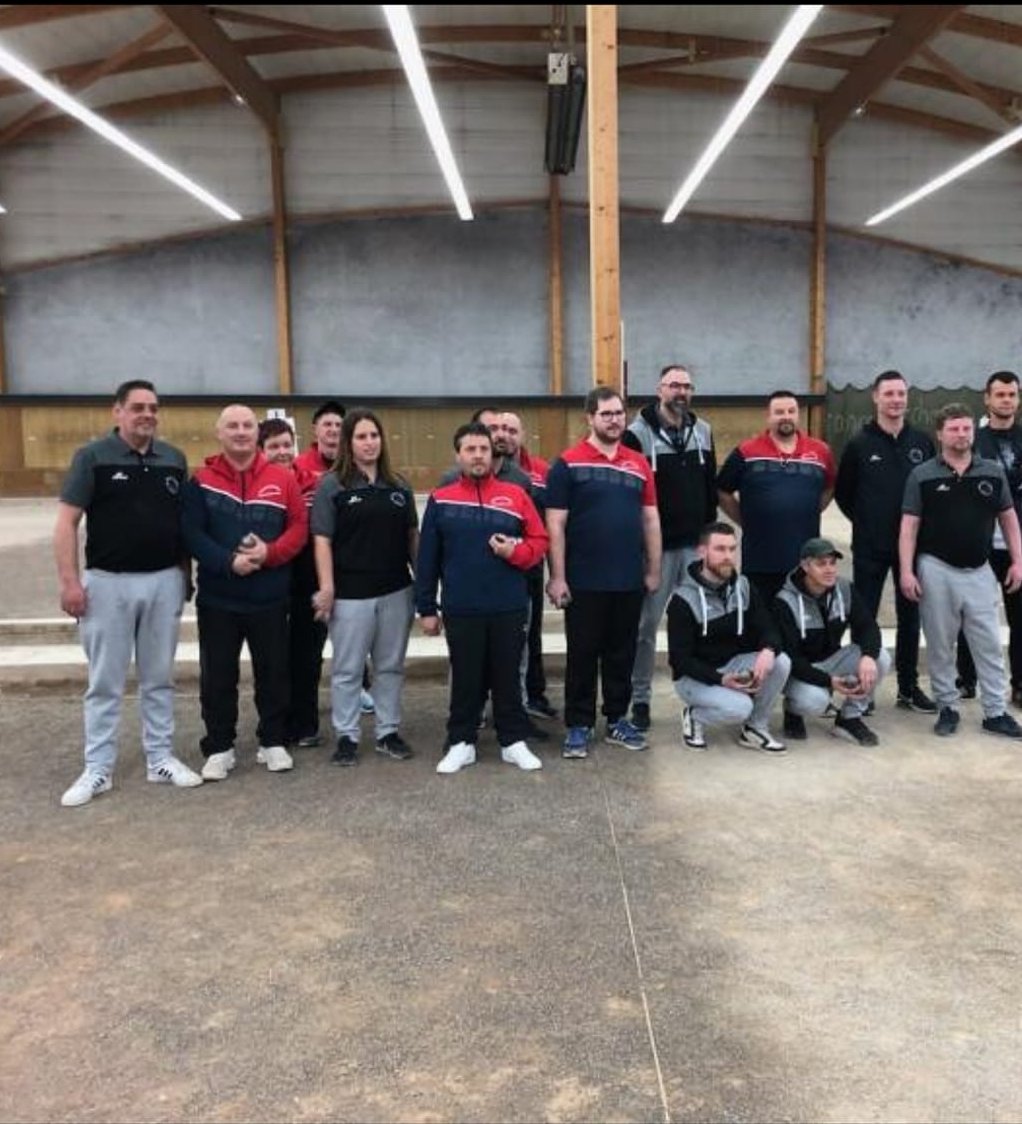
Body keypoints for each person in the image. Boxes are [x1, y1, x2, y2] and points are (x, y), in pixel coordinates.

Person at [54, 379, 202, 807]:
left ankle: (160, 757)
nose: (147, 415)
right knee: (105, 682)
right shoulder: (92, 457)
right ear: (117, 411)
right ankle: (98, 768)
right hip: (108, 584)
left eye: (153, 408)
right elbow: (66, 523)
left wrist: (184, 575)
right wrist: (70, 582)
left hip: (164, 582)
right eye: (137, 407)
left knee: (159, 678)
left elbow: (180, 525)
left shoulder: (174, 459)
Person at [182, 405, 308, 779]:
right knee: (218, 676)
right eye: (232, 426)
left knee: (274, 672)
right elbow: (192, 534)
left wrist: (270, 553)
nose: (240, 432)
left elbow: (299, 527)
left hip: (270, 598)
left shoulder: (282, 480)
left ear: (257, 433)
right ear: (219, 433)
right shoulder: (201, 480)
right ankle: (220, 747)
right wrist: (228, 562)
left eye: (247, 425)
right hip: (219, 599)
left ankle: (273, 741)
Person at [415, 422, 548, 774]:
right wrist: (426, 608)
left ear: (493, 454)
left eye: (484, 449)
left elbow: (539, 542)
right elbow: (427, 558)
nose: (478, 456)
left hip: (508, 605)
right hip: (462, 607)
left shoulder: (515, 495)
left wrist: (514, 553)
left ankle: (512, 741)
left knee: (508, 676)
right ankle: (462, 742)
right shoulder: (441, 499)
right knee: (466, 678)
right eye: (470, 449)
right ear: (458, 455)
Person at [546, 386, 662, 758]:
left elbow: (650, 519)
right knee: (582, 655)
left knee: (621, 654)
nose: (614, 420)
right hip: (583, 581)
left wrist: (654, 569)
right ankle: (578, 725)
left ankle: (616, 719)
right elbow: (555, 525)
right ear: (590, 418)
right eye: (606, 414)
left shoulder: (638, 463)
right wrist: (558, 576)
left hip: (628, 580)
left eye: (619, 413)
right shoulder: (568, 464)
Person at [899, 403, 1022, 739]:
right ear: (940, 434)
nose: (962, 434)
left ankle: (995, 712)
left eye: (967, 428)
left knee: (989, 644)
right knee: (940, 645)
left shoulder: (991, 472)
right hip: (935, 569)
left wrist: (1018, 560)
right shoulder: (922, 474)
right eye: (954, 429)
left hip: (980, 570)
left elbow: (1009, 518)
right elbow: (909, 527)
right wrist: (907, 571)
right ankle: (947, 708)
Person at [311, 409, 419, 766]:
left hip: (395, 590)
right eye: (361, 436)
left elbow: (412, 537)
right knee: (348, 670)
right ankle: (347, 736)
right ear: (348, 442)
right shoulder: (333, 485)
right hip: (350, 595)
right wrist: (327, 587)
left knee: (390, 667)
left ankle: (388, 732)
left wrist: (423, 586)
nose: (369, 442)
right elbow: (322, 540)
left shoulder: (399, 485)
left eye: (374, 435)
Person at [834, 370, 936, 714]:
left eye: (901, 393)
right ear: (875, 397)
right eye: (889, 393)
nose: (896, 400)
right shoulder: (858, 444)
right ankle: (863, 689)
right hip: (870, 548)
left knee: (911, 618)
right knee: (865, 619)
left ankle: (908, 687)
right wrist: (868, 522)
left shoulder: (922, 442)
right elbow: (844, 494)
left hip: (913, 550)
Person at [622, 363, 716, 732]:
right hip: (656, 551)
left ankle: (703, 696)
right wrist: (644, 552)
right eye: (674, 385)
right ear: (659, 389)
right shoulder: (636, 435)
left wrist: (709, 540)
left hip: (694, 548)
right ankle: (640, 699)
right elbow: (632, 496)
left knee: (702, 625)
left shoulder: (703, 430)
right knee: (645, 627)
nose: (681, 392)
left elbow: (709, 489)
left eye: (686, 386)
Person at [667, 522, 791, 753]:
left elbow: (769, 627)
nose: (728, 556)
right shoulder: (683, 600)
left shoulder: (743, 587)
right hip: (693, 678)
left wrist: (768, 649)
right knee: (739, 708)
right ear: (702, 551)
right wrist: (721, 679)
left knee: (781, 661)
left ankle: (755, 727)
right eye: (720, 549)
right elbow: (679, 660)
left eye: (732, 549)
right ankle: (694, 716)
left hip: (732, 665)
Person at [717, 390, 835, 603]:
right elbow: (722, 490)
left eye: (791, 411)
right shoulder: (746, 451)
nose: (786, 416)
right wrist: (746, 519)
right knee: (761, 619)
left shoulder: (821, 451)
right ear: (768, 416)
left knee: (804, 618)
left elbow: (829, 487)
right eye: (779, 412)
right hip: (760, 560)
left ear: (798, 415)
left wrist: (809, 511)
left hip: (806, 560)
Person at [774, 538, 891, 746]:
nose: (829, 570)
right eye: (821, 564)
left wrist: (867, 656)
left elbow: (868, 626)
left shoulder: (844, 589)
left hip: (832, 661)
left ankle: (849, 718)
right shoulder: (785, 601)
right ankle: (792, 710)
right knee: (815, 702)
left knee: (880, 658)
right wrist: (830, 682)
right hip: (798, 672)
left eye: (832, 563)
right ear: (805, 566)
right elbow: (791, 658)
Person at [955, 371, 1022, 705]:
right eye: (1000, 394)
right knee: (970, 615)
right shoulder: (973, 440)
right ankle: (966, 679)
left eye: (1012, 394)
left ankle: (1019, 684)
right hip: (978, 543)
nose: (1006, 400)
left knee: (1019, 618)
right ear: (987, 398)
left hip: (1015, 546)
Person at [258, 417, 325, 747]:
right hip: (269, 579)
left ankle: (306, 723)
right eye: (274, 447)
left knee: (308, 656)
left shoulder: (315, 485)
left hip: (309, 580)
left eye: (287, 445)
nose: (283, 452)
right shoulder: (256, 486)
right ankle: (275, 726)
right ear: (261, 451)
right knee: (273, 658)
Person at [502, 410, 557, 721]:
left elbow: (550, 524)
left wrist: (555, 573)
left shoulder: (541, 472)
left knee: (531, 636)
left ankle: (534, 695)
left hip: (531, 568)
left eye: (512, 430)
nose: (505, 435)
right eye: (500, 429)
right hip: (496, 570)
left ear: (522, 436)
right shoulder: (486, 472)